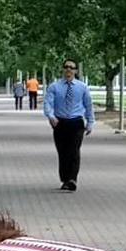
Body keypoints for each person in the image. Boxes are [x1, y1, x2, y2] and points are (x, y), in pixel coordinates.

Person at [42, 59, 94, 192]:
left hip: (76, 122)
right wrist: (51, 116)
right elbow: (48, 103)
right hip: (60, 123)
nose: (69, 70)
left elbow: (88, 105)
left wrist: (90, 122)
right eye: (66, 67)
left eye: (72, 67)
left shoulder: (82, 87)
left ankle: (72, 179)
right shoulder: (54, 87)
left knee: (74, 151)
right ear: (63, 69)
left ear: (76, 71)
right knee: (63, 152)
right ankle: (65, 179)